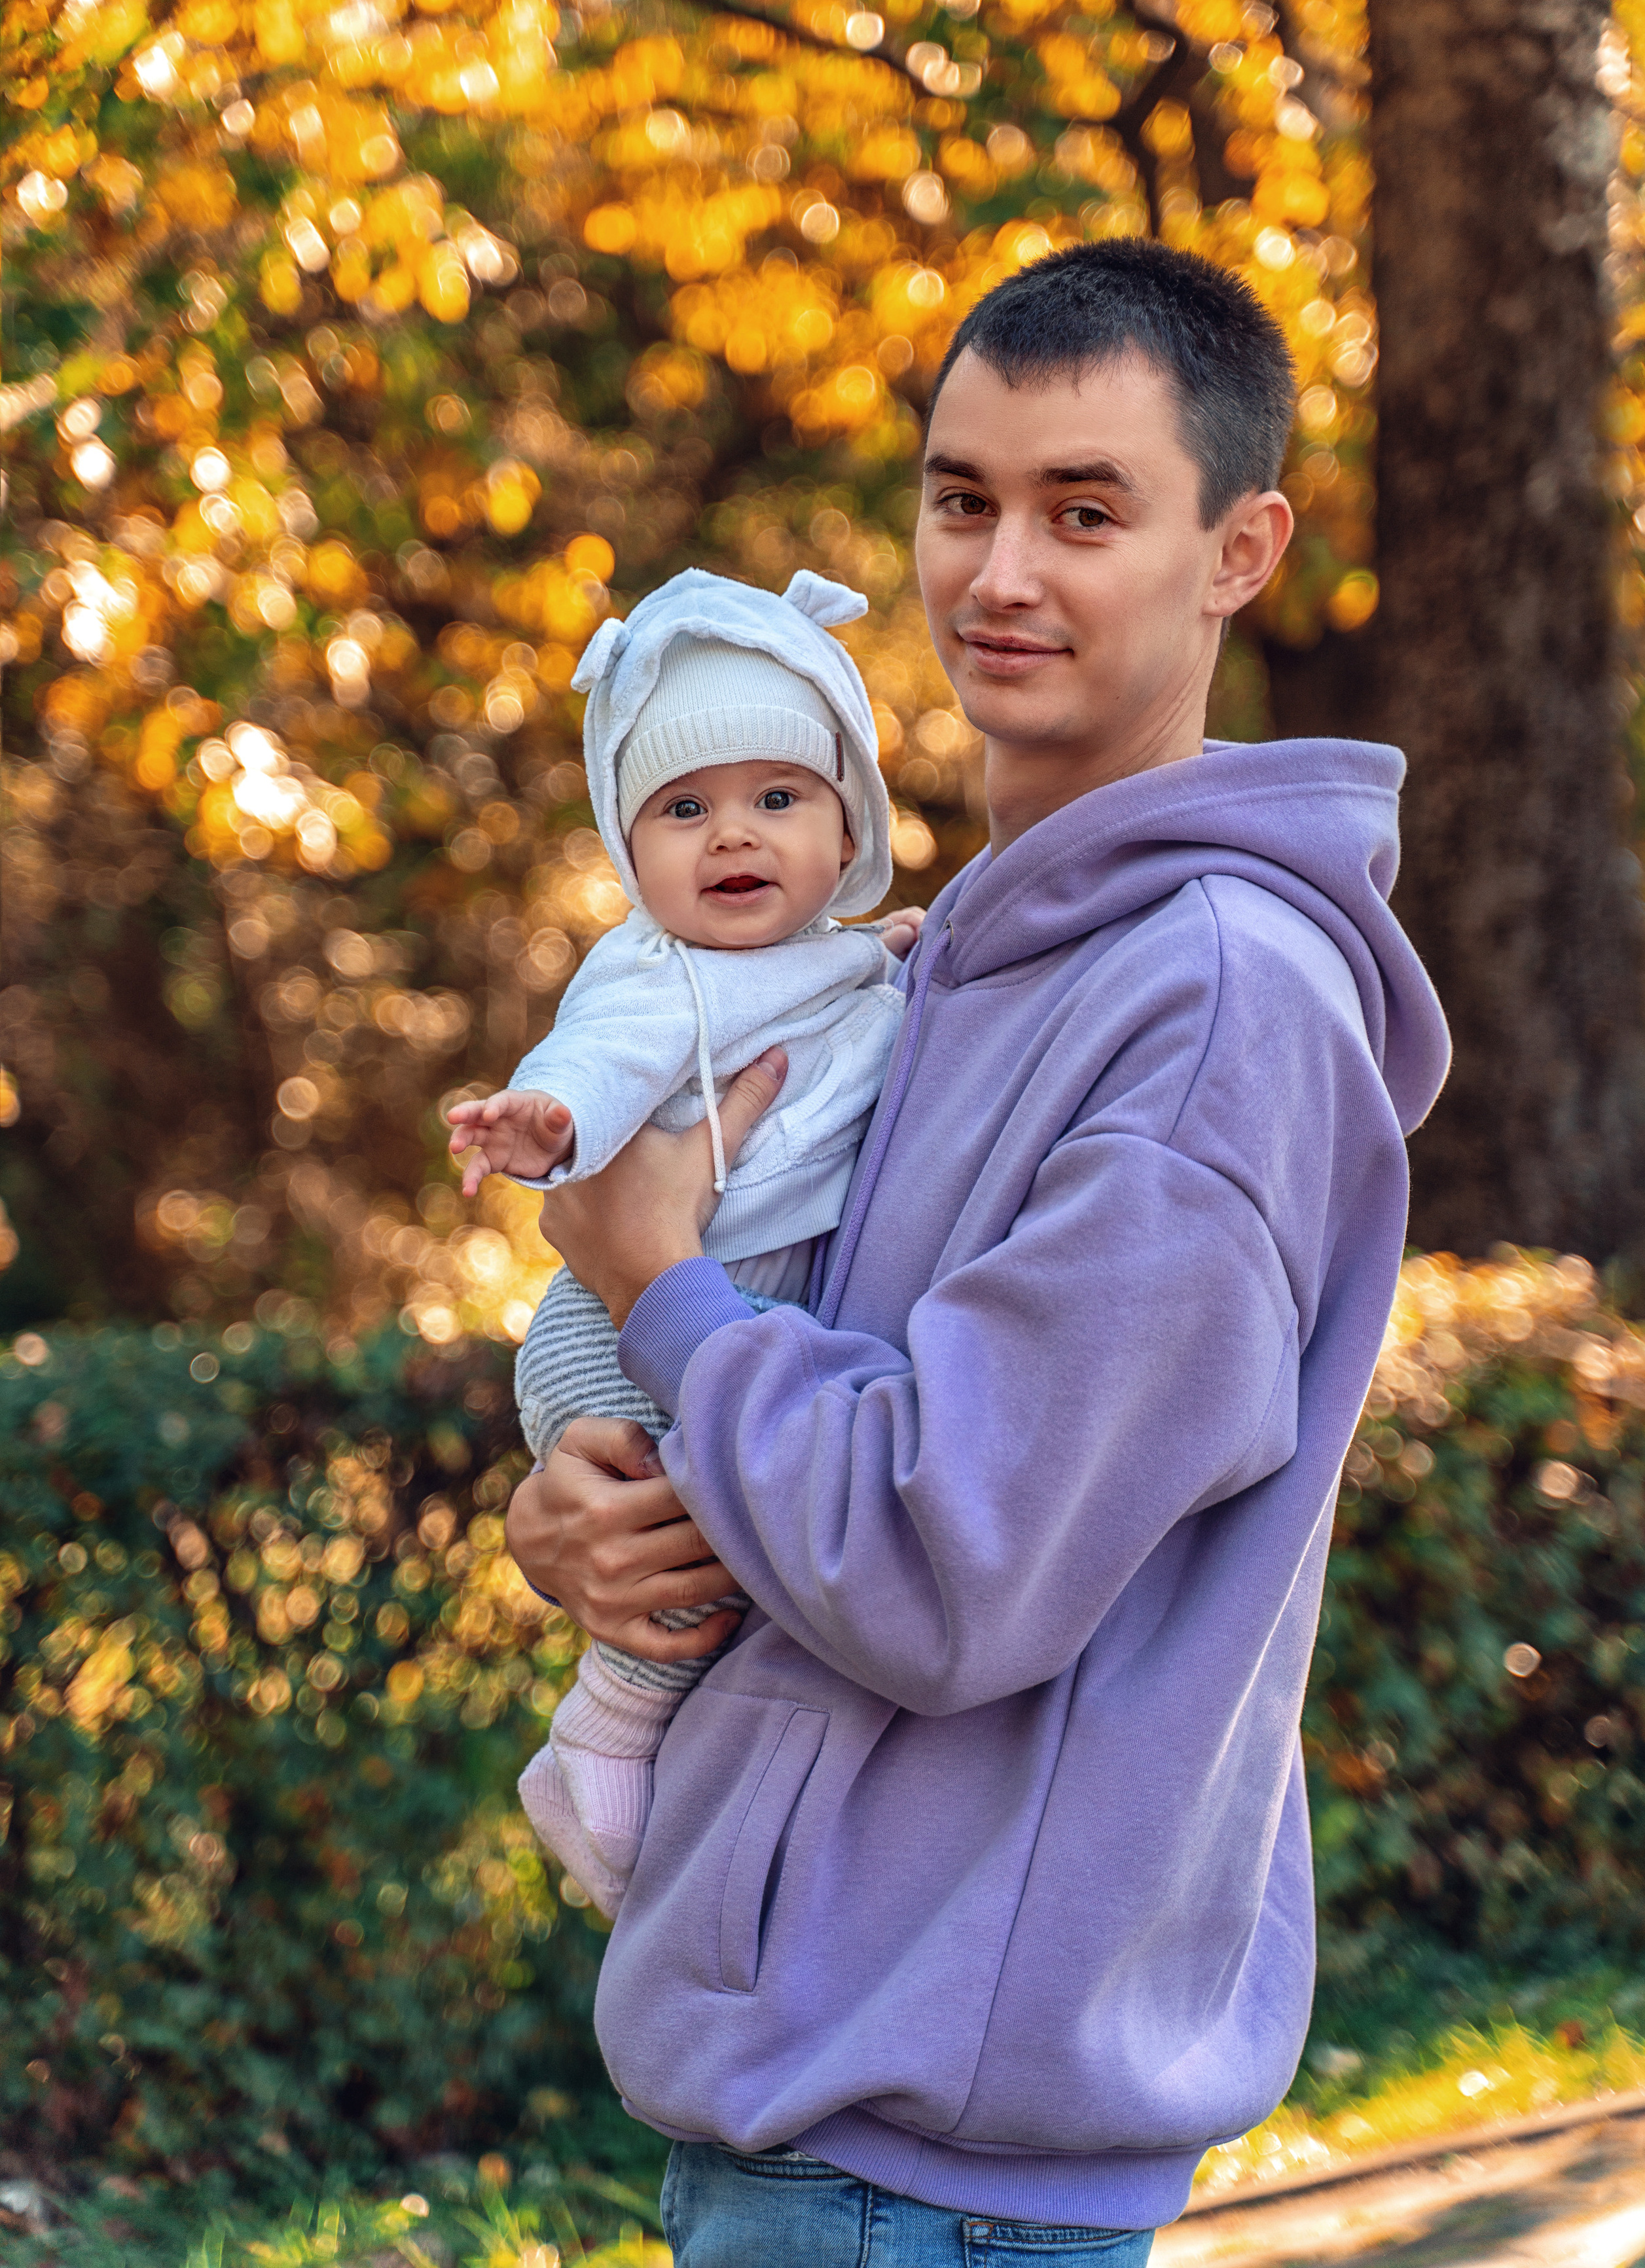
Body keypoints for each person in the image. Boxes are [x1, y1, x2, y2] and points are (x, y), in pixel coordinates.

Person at [505, 237, 1452, 2268]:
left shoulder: (1210, 1001)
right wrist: (606, 1507)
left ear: (1240, 549)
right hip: (829, 2112)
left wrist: (660, 1286)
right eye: (964, 499)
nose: (1001, 573)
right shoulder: (939, 962)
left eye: (1085, 511)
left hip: (916, 2171)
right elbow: (828, 1407)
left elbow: (951, 1556)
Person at [445, 567, 920, 1915]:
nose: (733, 835)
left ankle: (628, 1741)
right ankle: (606, 1730)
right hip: (613, 1330)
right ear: (629, 844)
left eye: (777, 796)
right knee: (697, 1540)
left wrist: (902, 948)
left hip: (707, 1305)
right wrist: (550, 1118)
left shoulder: (843, 962)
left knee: (755, 1519)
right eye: (684, 808)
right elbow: (600, 1055)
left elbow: (867, 1004)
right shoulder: (658, 974)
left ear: (847, 825)